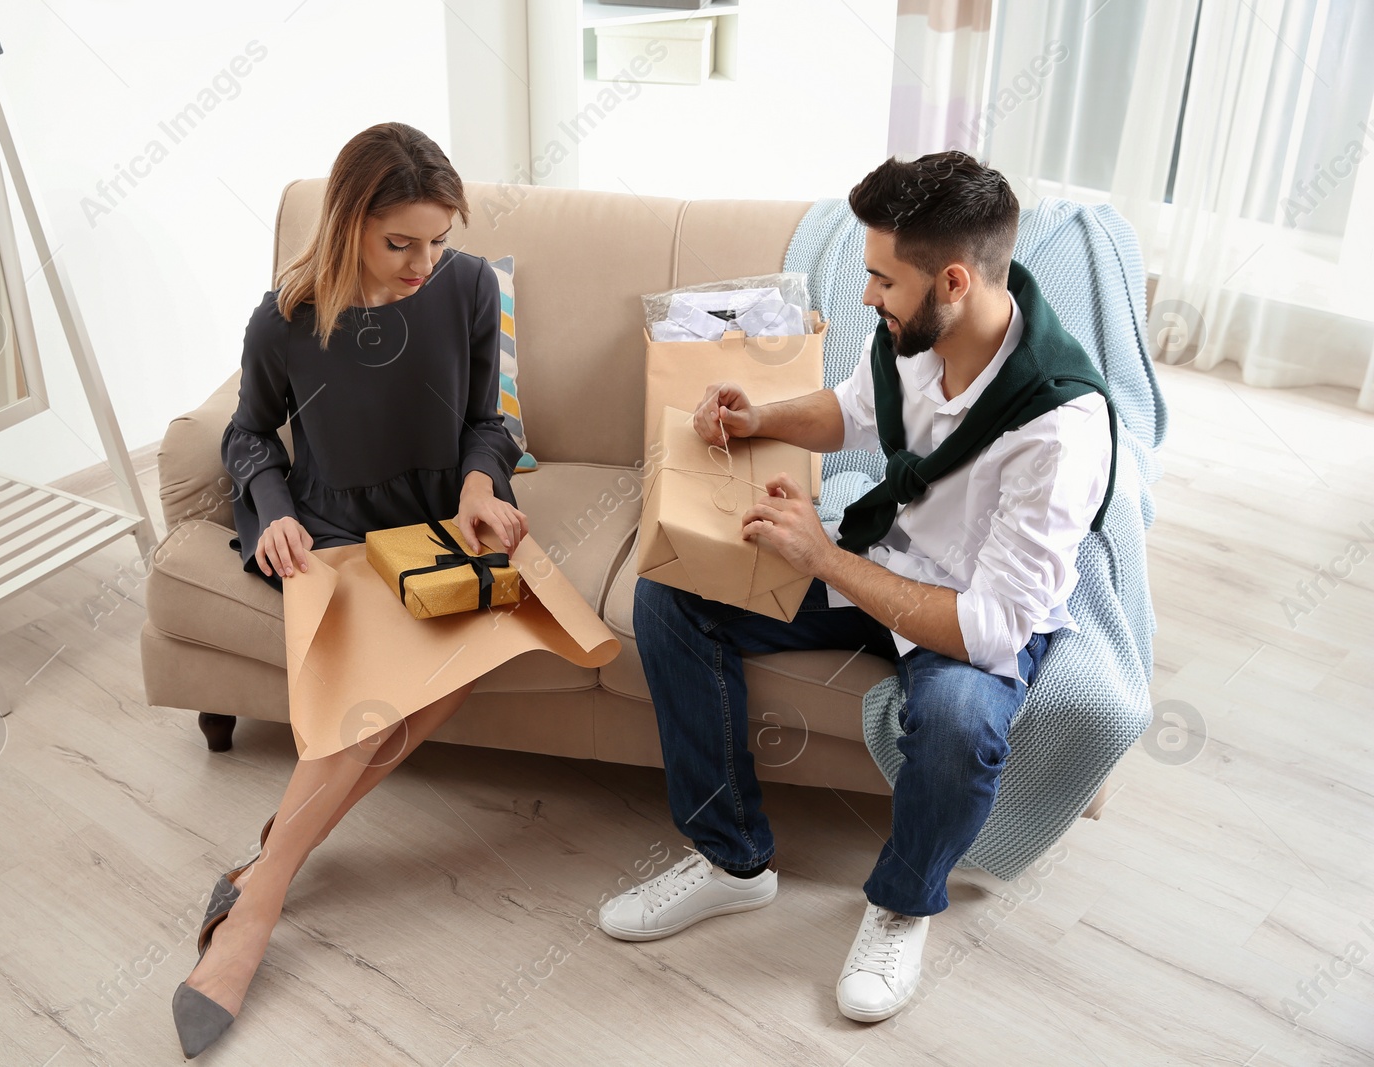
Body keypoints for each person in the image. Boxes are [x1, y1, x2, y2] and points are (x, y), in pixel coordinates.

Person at [596, 151, 1116, 1024]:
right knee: (675, 592)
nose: (867, 295)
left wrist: (825, 560)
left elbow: (990, 626)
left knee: (956, 722)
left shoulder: (1059, 431)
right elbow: (855, 409)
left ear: (952, 279)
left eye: (882, 279)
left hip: (963, 611)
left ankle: (903, 903)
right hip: (890, 563)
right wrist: (758, 416)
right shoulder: (924, 332)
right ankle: (732, 861)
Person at [171, 122, 528, 1058]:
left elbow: (490, 423)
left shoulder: (470, 286)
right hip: (333, 535)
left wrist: (483, 490)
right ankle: (259, 909)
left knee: (444, 677)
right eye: (399, 242)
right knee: (372, 706)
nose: (424, 264)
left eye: (438, 240)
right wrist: (271, 505)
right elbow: (248, 435)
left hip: (439, 527)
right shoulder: (284, 318)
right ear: (349, 223)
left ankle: (260, 870)